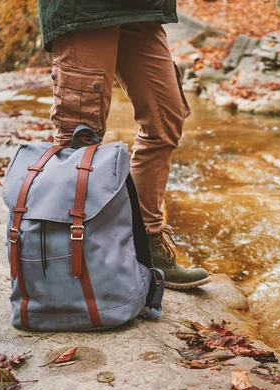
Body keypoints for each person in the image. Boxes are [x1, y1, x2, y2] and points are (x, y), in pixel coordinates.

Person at [38, 0, 211, 289]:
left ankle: (146, 245)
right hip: (85, 12)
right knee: (79, 139)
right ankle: (64, 260)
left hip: (142, 9)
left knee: (165, 120)